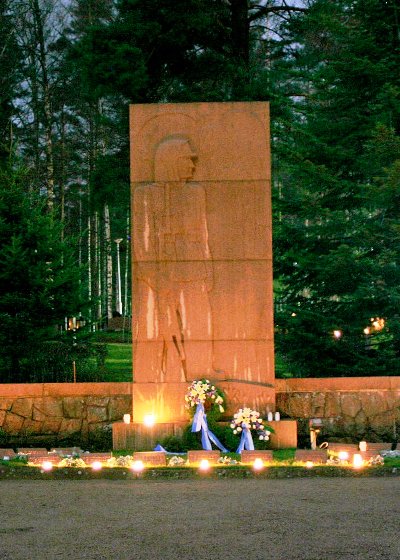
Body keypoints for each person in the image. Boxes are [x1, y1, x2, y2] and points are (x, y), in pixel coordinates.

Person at [133, 136, 213, 382]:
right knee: (162, 331)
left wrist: (207, 271)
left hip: (193, 273)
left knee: (199, 327)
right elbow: (141, 239)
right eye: (186, 161)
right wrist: (153, 275)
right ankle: (164, 377)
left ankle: (202, 376)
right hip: (162, 275)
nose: (192, 166)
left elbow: (203, 234)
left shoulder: (195, 194)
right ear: (170, 162)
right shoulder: (145, 195)